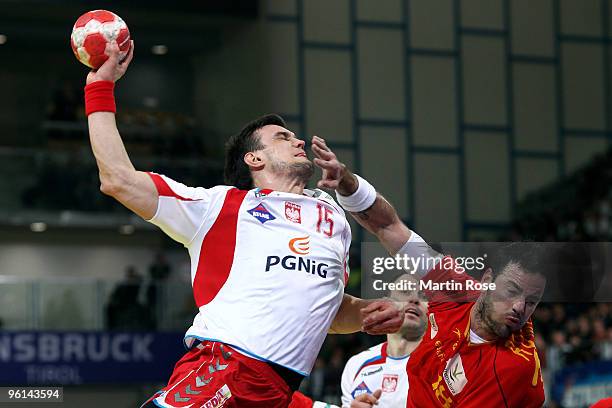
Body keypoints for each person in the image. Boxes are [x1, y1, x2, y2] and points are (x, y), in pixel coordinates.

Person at [83, 41, 402, 408]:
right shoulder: (219, 206)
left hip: (280, 392)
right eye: (282, 138)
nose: (298, 140)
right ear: (253, 159)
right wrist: (99, 88)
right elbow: (117, 179)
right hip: (225, 369)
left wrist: (366, 314)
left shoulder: (332, 218)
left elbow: (325, 309)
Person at [311, 138, 557, 407]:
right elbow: (388, 226)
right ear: (486, 281)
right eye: (511, 291)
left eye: (532, 302)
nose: (520, 307)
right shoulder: (454, 288)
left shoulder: (512, 370)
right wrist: (347, 183)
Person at [289, 274, 427, 408]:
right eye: (405, 290)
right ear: (386, 300)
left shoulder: (444, 363)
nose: (414, 299)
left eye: (423, 296)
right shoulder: (357, 364)